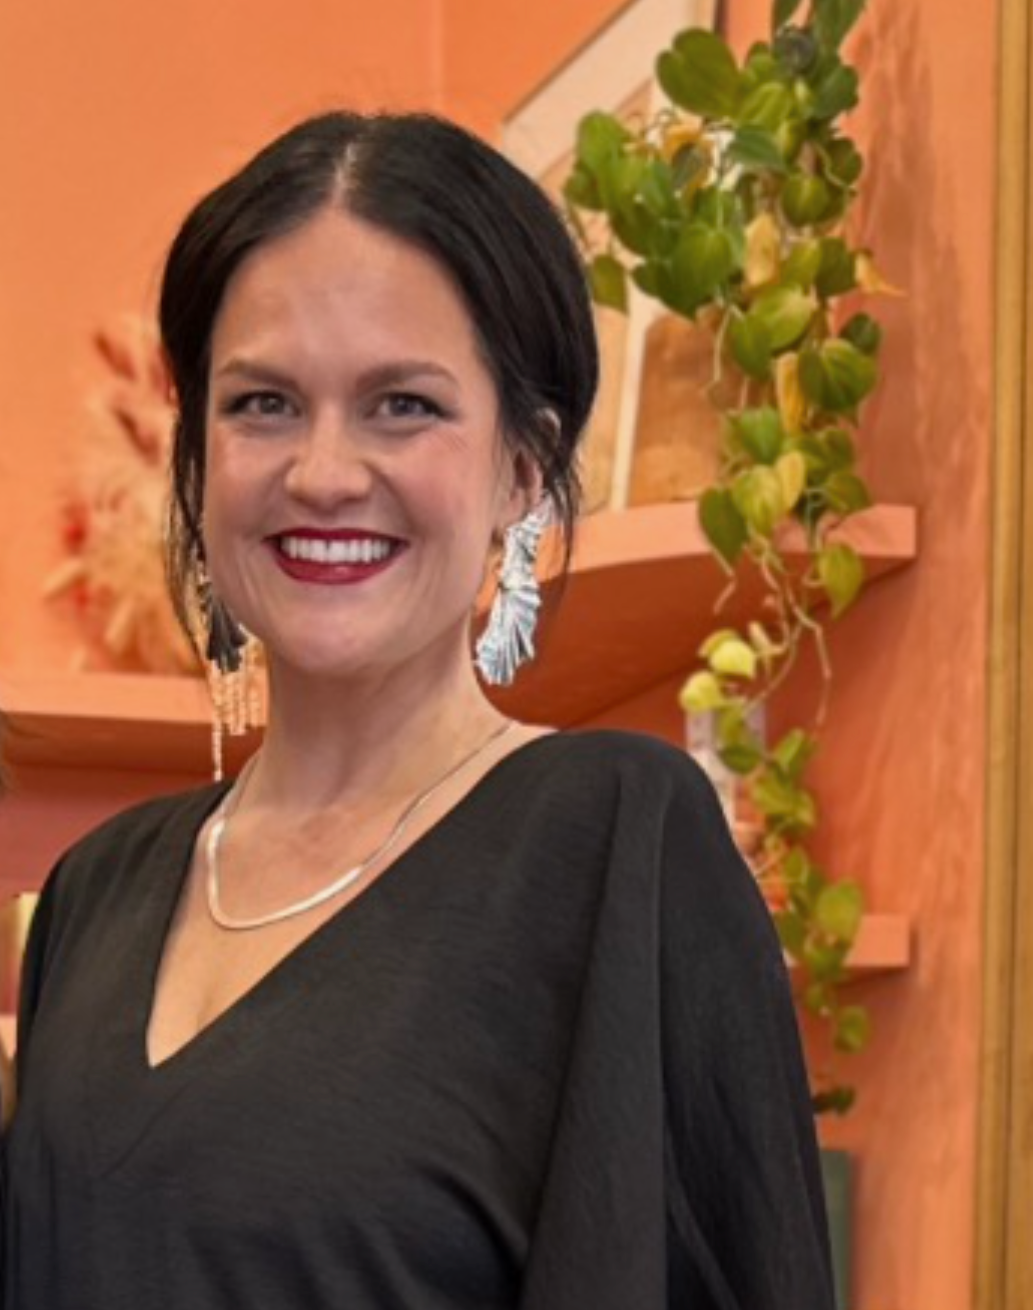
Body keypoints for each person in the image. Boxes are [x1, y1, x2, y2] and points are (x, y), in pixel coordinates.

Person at [3, 111, 834, 1309]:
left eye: (403, 405)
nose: (325, 471)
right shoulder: (95, 889)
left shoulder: (615, 844)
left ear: (522, 468)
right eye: (262, 404)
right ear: (197, 455)